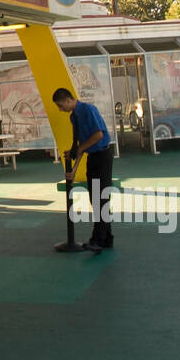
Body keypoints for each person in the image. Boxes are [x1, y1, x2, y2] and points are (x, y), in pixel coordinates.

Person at [52, 88, 114, 251]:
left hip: (103, 155)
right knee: (96, 197)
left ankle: (97, 240)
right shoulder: (74, 117)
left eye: (60, 105)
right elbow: (81, 146)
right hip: (93, 157)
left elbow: (98, 135)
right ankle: (107, 238)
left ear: (67, 100)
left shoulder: (88, 110)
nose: (61, 110)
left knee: (100, 198)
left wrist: (79, 150)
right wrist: (73, 169)